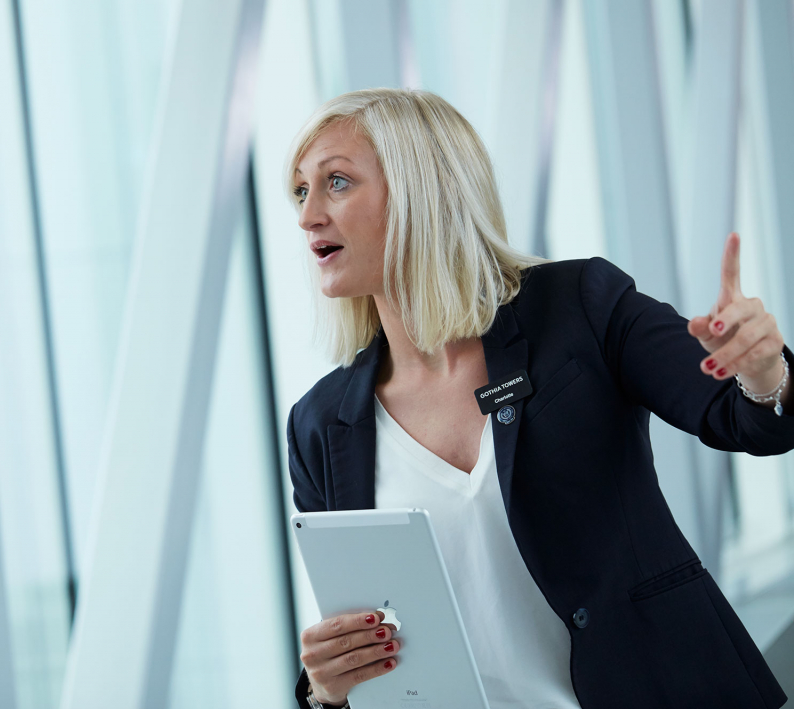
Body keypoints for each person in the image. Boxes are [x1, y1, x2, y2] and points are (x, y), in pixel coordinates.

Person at [283, 87, 793, 709]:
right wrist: (327, 691)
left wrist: (763, 373)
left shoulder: (581, 305)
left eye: (336, 182)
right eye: (300, 191)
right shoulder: (320, 426)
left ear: (421, 189)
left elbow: (744, 418)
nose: (308, 215)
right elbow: (363, 646)